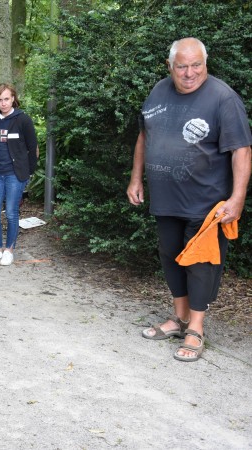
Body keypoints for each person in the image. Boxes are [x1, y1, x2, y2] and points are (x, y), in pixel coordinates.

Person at [126, 37, 251, 362]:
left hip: (207, 204)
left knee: (200, 263)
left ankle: (196, 326)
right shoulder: (158, 91)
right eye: (182, 66)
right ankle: (180, 318)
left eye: (197, 65)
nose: (190, 72)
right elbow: (144, 136)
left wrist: (237, 198)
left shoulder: (223, 98)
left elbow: (242, 150)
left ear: (205, 64)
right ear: (170, 66)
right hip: (166, 199)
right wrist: (136, 178)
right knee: (169, 256)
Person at [0, 83, 39, 266]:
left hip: (15, 174)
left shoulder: (23, 119)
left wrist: (28, 172)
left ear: (13, 98)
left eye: (7, 99)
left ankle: (9, 250)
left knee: (11, 213)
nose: (4, 103)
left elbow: (33, 148)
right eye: (0, 100)